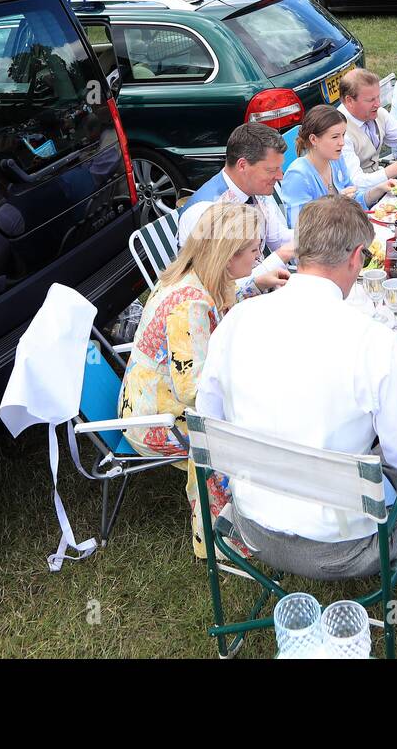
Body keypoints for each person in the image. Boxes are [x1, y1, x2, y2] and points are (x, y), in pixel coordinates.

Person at [195, 195, 397, 579]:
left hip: (252, 523)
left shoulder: (238, 320)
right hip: (345, 548)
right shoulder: (375, 343)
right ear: (356, 257)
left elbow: (209, 419)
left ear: (300, 252)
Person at [119, 201, 264, 558]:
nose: (259, 258)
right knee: (241, 433)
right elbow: (195, 392)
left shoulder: (198, 276)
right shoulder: (191, 304)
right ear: (228, 256)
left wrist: (253, 286)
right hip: (156, 420)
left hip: (153, 399)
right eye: (253, 250)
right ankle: (224, 538)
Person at [179, 121, 294, 291]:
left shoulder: (254, 189)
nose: (280, 176)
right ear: (243, 165)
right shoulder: (206, 212)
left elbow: (278, 238)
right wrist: (281, 256)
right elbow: (215, 288)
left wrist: (321, 235)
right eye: (271, 170)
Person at [279, 104, 384, 224]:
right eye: (335, 137)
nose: (342, 142)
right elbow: (299, 228)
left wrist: (379, 189)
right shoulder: (297, 176)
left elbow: (354, 197)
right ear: (313, 139)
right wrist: (338, 205)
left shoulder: (336, 160)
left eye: (343, 135)